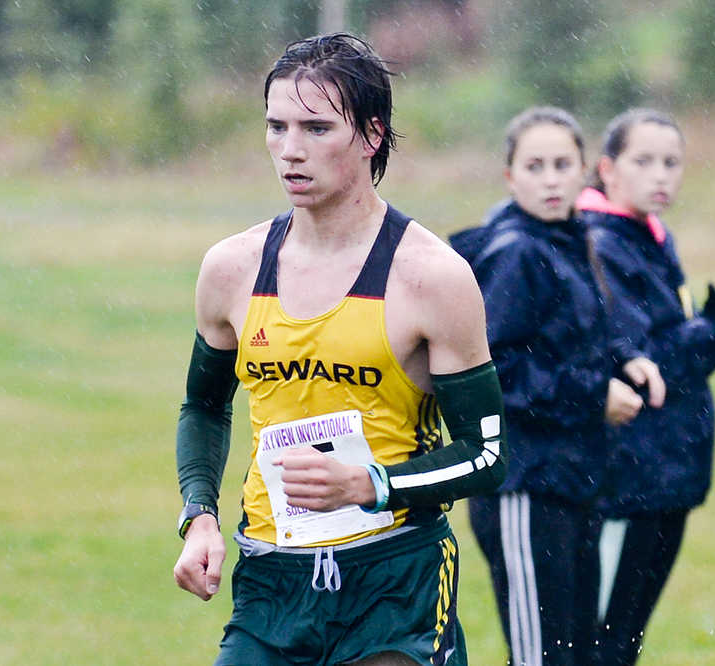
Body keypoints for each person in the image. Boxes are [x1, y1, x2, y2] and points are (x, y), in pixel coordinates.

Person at [172, 33, 508, 666]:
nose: (290, 151)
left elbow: (489, 455)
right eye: (276, 126)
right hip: (272, 583)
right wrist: (200, 517)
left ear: (371, 135)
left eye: (317, 128)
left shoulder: (432, 277)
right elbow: (202, 408)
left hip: (394, 583)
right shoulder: (232, 268)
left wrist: (370, 484)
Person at [449, 107, 664, 666]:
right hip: (523, 486)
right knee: (542, 658)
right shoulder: (515, 251)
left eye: (561, 165)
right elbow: (495, 370)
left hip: (573, 477)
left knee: (579, 654)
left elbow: (574, 337)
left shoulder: (572, 240)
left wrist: (627, 360)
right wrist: (595, 396)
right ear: (510, 177)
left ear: (584, 172)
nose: (549, 179)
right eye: (534, 165)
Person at [577, 108, 715, 665]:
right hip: (626, 475)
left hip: (663, 469)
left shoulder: (646, 234)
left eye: (672, 162)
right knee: (601, 641)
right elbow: (645, 366)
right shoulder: (602, 241)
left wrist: (711, 324)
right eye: (643, 161)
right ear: (607, 169)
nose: (660, 175)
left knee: (624, 637)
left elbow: (664, 343)